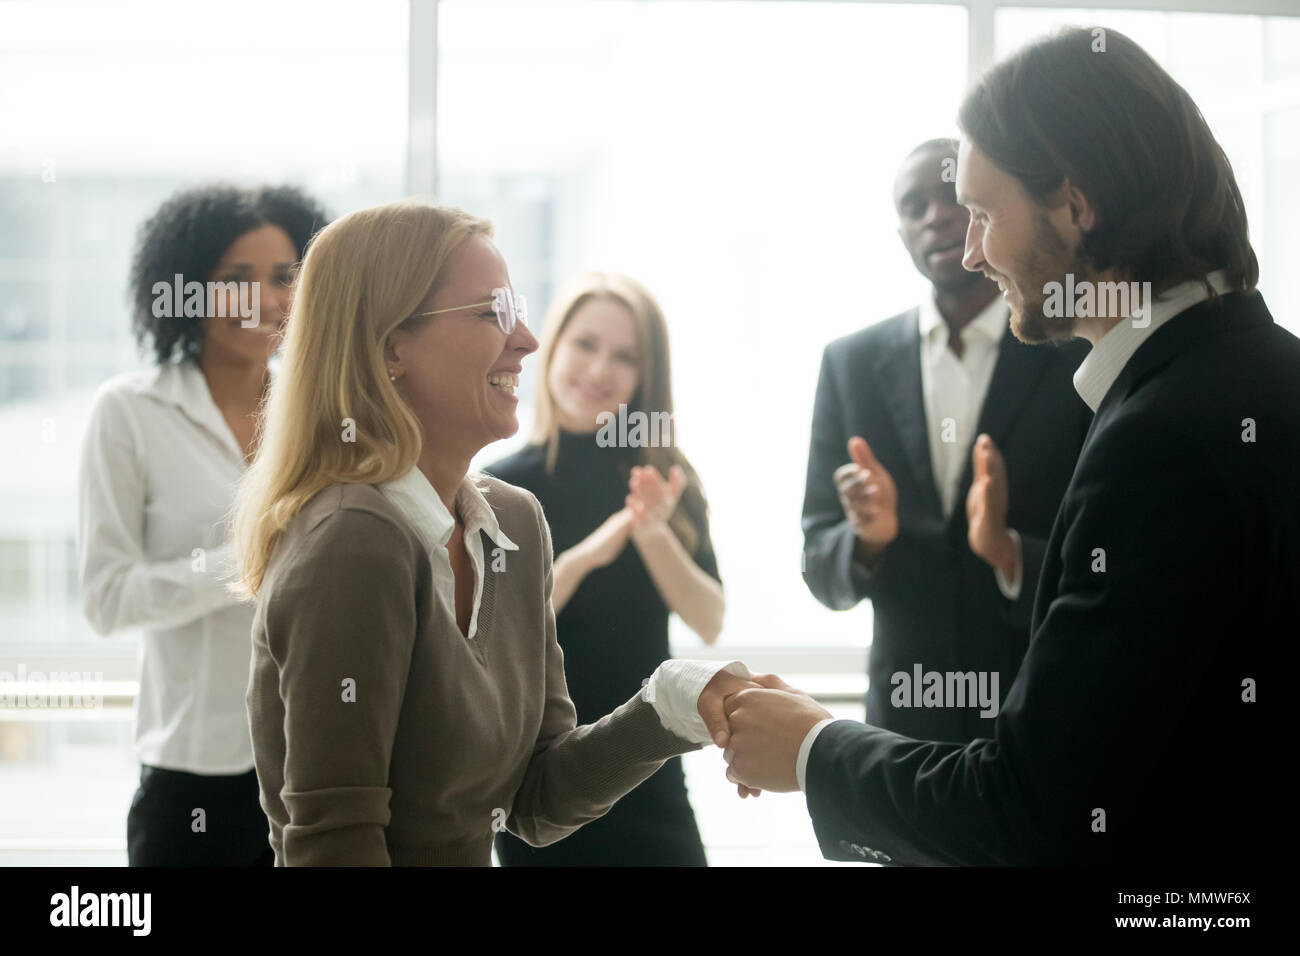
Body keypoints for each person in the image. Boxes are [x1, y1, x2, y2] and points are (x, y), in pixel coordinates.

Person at [718, 26, 1294, 866]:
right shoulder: (1263, 373)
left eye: (984, 212)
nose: (972, 249)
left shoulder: (1161, 438)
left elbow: (1035, 811)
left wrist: (812, 748)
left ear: (1075, 204)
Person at [231, 200, 757, 866]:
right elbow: (336, 844)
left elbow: (536, 797)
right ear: (392, 347)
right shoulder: (352, 541)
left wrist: (677, 701)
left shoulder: (513, 521)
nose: (527, 341)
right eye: (491, 313)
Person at [801, 138, 1090, 743]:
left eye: (952, 196)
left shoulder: (1075, 356)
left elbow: (1106, 554)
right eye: (915, 206)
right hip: (904, 736)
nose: (935, 215)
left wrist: (1011, 552)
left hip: (1045, 718)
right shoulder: (849, 363)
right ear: (901, 233)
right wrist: (865, 540)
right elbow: (819, 566)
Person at [76, 183, 328, 865]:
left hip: (320, 766)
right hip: (193, 777)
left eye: (283, 278)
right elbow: (107, 598)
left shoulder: (326, 415)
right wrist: (248, 557)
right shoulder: (130, 413)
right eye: (234, 280)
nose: (263, 300)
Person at [488, 273, 725, 866]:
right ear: (553, 346)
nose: (599, 369)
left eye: (625, 356)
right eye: (585, 344)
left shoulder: (667, 478)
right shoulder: (499, 485)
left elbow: (709, 620)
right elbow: (490, 631)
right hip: (536, 787)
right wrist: (586, 556)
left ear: (647, 376)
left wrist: (650, 533)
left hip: (648, 774)